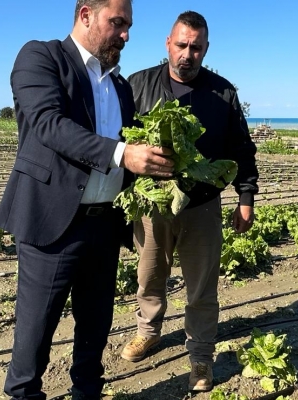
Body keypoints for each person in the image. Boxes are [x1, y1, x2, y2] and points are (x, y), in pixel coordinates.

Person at [0, 1, 176, 399]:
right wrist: (123, 153)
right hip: (54, 223)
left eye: (128, 26)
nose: (125, 34)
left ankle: (87, 393)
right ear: (86, 14)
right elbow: (49, 125)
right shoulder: (41, 57)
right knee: (35, 332)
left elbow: (135, 146)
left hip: (105, 224)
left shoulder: (121, 86)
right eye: (118, 23)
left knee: (95, 327)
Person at [118, 10, 259, 392]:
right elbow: (118, 142)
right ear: (168, 43)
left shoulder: (223, 92)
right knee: (149, 277)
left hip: (202, 205)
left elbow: (242, 149)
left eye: (196, 47)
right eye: (181, 45)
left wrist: (245, 197)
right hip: (153, 205)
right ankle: (148, 331)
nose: (188, 54)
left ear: (206, 49)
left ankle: (200, 356)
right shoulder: (137, 85)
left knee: (202, 286)